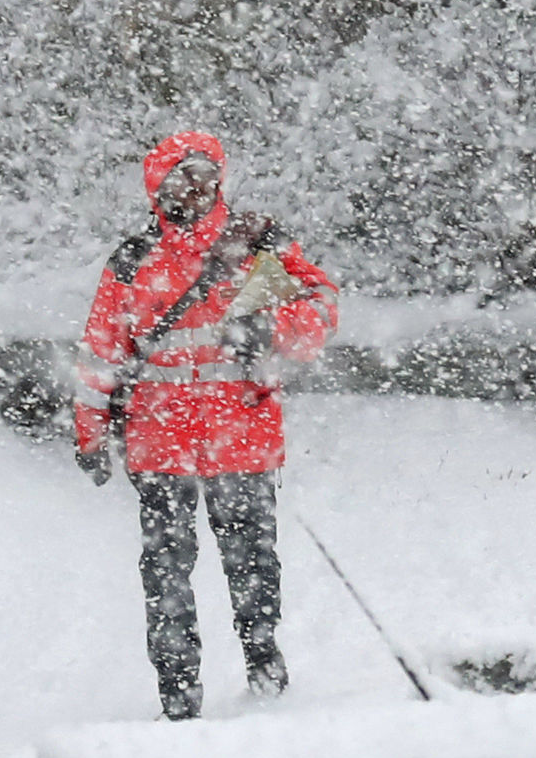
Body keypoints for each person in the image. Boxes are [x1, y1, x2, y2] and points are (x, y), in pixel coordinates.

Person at [72, 131, 338, 720]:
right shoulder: (134, 263)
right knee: (166, 578)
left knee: (255, 570)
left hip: (241, 439)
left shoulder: (251, 251)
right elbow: (101, 356)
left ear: (219, 180)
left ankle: (266, 679)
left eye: (202, 176)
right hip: (159, 447)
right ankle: (178, 699)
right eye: (178, 178)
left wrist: (272, 328)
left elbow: (320, 309)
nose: (192, 190)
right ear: (156, 188)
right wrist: (89, 433)